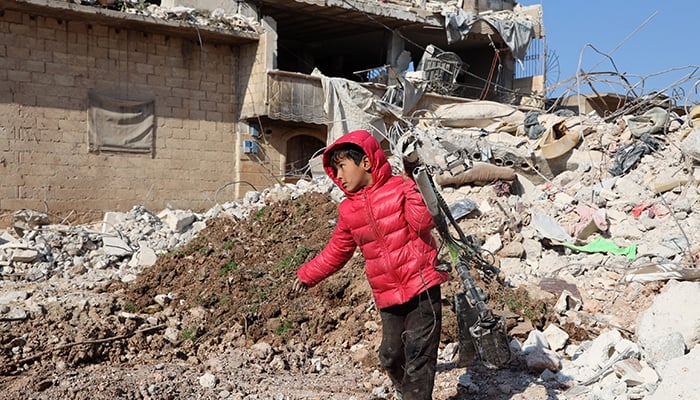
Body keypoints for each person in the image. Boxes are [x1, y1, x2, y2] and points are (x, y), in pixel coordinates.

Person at [291, 129, 449, 400]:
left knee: (418, 357)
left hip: (422, 287)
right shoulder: (348, 210)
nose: (337, 175)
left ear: (366, 162)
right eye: (334, 169)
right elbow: (336, 252)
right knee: (390, 356)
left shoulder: (400, 187)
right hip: (388, 296)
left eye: (341, 166)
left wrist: (412, 183)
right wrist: (307, 274)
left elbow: (423, 222)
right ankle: (404, 391)